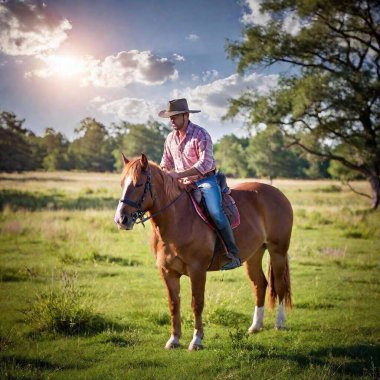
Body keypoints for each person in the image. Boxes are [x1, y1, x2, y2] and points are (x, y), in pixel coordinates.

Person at [159, 98, 240, 270]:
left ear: (186, 116)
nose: (171, 121)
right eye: (170, 118)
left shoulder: (200, 134)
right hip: (180, 182)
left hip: (205, 180)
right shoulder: (170, 138)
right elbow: (165, 161)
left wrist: (179, 174)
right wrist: (166, 171)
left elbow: (205, 164)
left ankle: (233, 254)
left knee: (216, 211)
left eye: (175, 117)